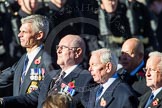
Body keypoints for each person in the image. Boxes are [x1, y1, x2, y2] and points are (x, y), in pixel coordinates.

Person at [0, 34, 95, 108]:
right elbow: (32, 98)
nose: (58, 51)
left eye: (63, 48)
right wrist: (3, 101)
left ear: (77, 52)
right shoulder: (51, 75)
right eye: (58, 47)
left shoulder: (85, 78)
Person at [0, 14, 54, 97]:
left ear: (39, 35)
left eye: (24, 32)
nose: (19, 35)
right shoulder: (24, 58)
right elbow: (6, 78)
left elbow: (40, 96)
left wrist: (4, 102)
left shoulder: (48, 60)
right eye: (20, 31)